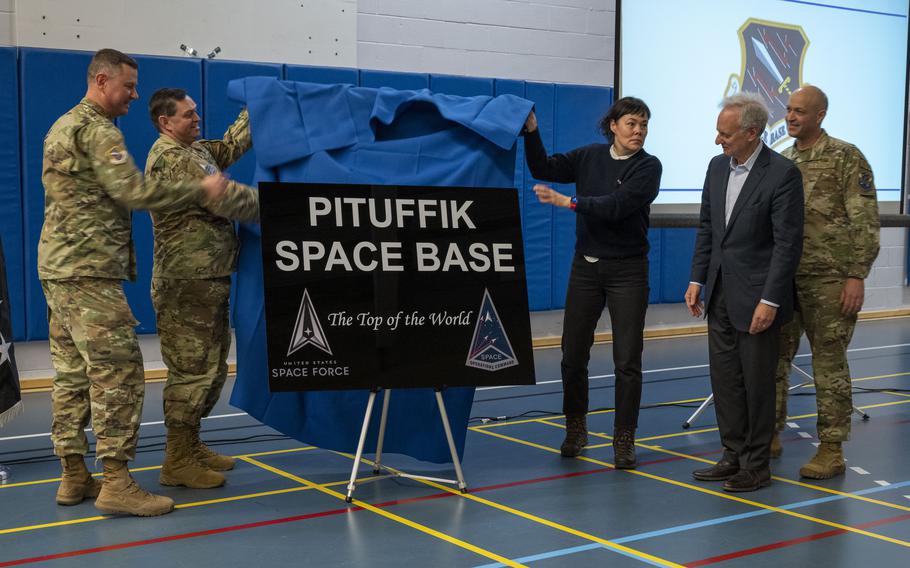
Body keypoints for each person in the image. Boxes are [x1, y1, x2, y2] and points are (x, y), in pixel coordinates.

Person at [39, 48, 255, 516]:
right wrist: (202, 188)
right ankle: (116, 481)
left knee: (73, 376)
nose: (134, 96)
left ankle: (74, 474)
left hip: (62, 266)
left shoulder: (63, 124)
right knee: (120, 375)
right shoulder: (98, 130)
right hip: (89, 270)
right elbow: (132, 191)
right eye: (128, 86)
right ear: (101, 81)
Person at [522, 97, 662, 468]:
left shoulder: (649, 167)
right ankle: (576, 428)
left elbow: (617, 206)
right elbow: (543, 166)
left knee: (627, 360)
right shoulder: (588, 156)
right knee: (572, 354)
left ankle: (623, 438)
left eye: (644, 125)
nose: (639, 131)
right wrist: (532, 133)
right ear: (613, 126)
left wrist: (569, 203)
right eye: (632, 123)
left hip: (628, 271)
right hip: (585, 268)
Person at [685, 92, 804, 492]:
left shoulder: (782, 174)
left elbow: (787, 245)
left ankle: (756, 464)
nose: (718, 140)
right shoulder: (717, 168)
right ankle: (732, 454)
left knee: (756, 383)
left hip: (758, 300)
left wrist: (770, 300)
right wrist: (696, 280)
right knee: (726, 382)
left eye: (726, 134)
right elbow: (708, 229)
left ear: (752, 133)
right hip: (718, 293)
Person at [144, 88, 259, 489]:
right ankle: (176, 460)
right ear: (165, 122)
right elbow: (226, 199)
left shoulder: (194, 151)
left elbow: (227, 147)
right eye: (188, 116)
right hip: (186, 283)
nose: (197, 119)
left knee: (210, 371)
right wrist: (291, 206)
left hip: (207, 278)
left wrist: (257, 107)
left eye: (196, 112)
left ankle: (191, 444)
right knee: (191, 373)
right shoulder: (171, 157)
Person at [771, 86, 880, 479]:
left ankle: (831, 449)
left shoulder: (845, 157)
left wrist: (856, 275)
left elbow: (864, 220)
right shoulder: (782, 161)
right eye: (788, 110)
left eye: (800, 111)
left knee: (828, 363)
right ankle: (770, 433)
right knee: (774, 358)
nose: (791, 117)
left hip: (831, 279)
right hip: (785, 278)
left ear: (820, 115)